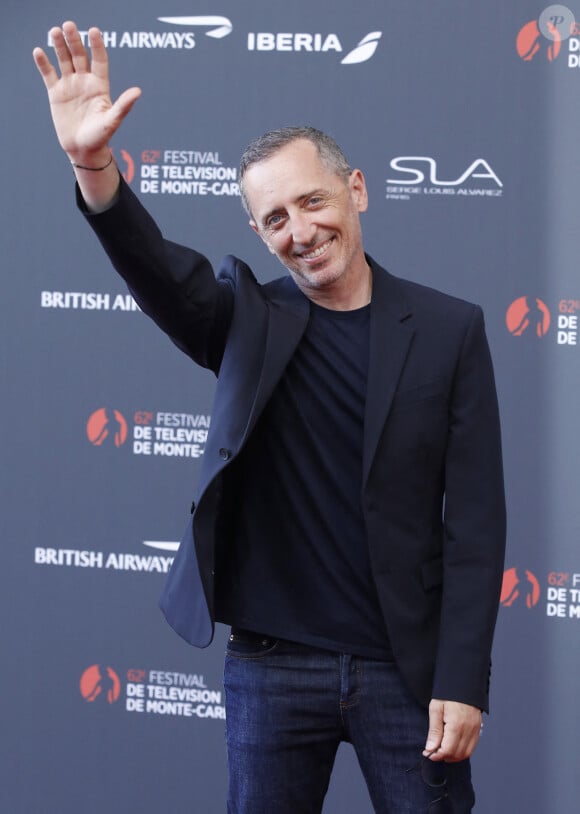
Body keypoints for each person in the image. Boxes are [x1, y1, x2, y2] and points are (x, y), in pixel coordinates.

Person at [34, 22, 506, 814]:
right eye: (276, 218)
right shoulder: (243, 317)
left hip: (407, 670)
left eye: (312, 201)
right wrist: (94, 167)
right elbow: (154, 267)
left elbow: (477, 524)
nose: (300, 230)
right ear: (257, 232)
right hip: (272, 669)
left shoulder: (449, 329)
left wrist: (463, 682)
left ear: (355, 190)